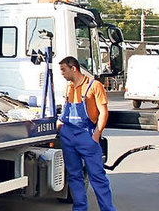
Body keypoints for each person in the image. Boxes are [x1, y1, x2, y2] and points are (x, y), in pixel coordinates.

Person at [55, 56, 116, 211]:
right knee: (74, 176)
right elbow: (66, 110)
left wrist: (96, 134)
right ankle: (80, 208)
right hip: (69, 135)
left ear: (73, 68)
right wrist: (60, 124)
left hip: (86, 134)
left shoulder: (94, 86)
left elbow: (103, 112)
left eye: (63, 69)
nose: (61, 73)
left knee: (97, 176)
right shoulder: (68, 87)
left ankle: (108, 209)